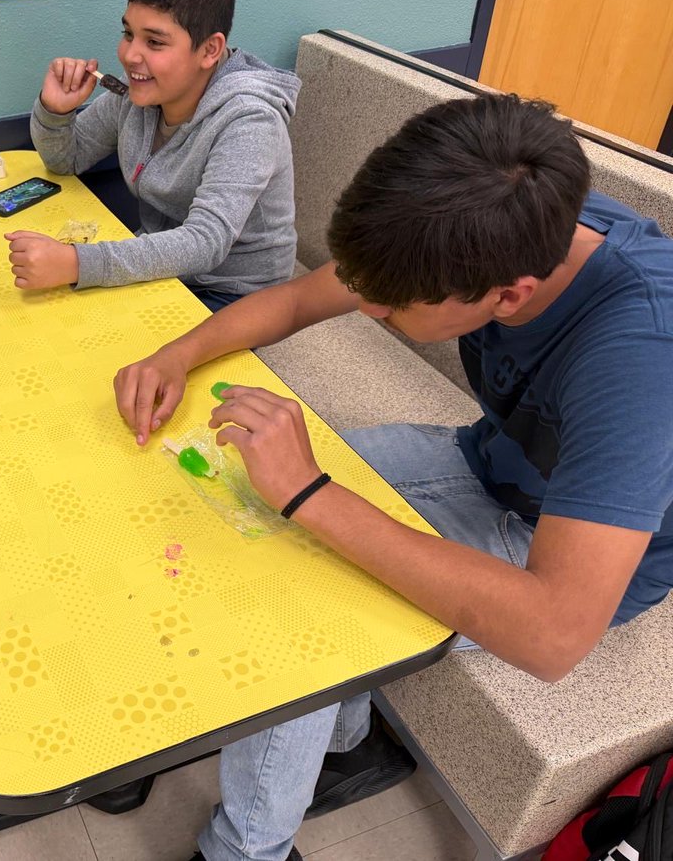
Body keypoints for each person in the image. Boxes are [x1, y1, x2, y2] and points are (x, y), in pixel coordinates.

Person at [114, 93, 673, 861]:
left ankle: (247, 852)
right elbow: (299, 298)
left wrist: (310, 494)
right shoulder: (486, 221)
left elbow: (555, 634)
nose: (367, 309)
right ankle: (345, 741)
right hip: (487, 460)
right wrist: (175, 355)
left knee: (301, 596)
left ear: (510, 295)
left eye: (388, 311)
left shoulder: (640, 356)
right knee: (234, 497)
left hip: (569, 560)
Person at [8, 0, 301, 311]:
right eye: (128, 34)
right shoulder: (140, 92)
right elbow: (66, 160)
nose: (130, 55)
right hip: (166, 272)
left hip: (237, 295)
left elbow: (205, 242)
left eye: (155, 42)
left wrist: (76, 263)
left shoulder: (249, 118)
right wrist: (56, 112)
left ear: (210, 50)